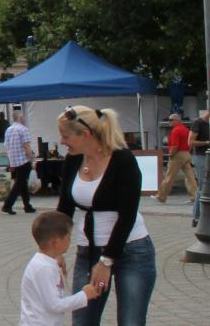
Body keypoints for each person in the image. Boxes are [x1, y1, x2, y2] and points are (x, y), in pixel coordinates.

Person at [54, 105, 156, 325]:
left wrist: (106, 261)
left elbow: (127, 216)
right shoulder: (74, 159)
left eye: (66, 136)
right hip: (88, 251)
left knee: (130, 321)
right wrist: (54, 251)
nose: (62, 141)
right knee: (82, 321)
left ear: (86, 134)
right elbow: (64, 209)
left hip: (131, 251)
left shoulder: (123, 160)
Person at [20, 211, 100, 326]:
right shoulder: (44, 268)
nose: (70, 240)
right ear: (55, 242)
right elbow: (54, 305)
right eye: (68, 237)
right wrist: (84, 295)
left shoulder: (46, 262)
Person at [156, 114, 198, 204]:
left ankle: (161, 196)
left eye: (171, 120)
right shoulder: (186, 129)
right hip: (187, 153)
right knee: (190, 177)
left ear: (176, 120)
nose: (169, 122)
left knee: (169, 176)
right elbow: (190, 142)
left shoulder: (175, 131)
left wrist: (171, 155)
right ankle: (195, 196)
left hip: (178, 154)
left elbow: (175, 146)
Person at [3, 112, 38, 215]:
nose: (24, 118)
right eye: (22, 116)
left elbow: (7, 146)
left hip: (14, 160)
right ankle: (7, 204)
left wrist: (11, 160)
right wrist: (32, 159)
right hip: (23, 160)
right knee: (19, 184)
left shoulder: (8, 130)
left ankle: (27, 205)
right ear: (19, 118)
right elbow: (27, 146)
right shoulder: (23, 129)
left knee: (22, 183)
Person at [189, 110, 209, 226]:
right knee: (203, 187)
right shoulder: (198, 123)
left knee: (203, 188)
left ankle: (197, 218)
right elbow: (190, 142)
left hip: (206, 157)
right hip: (200, 157)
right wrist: (207, 142)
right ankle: (200, 219)